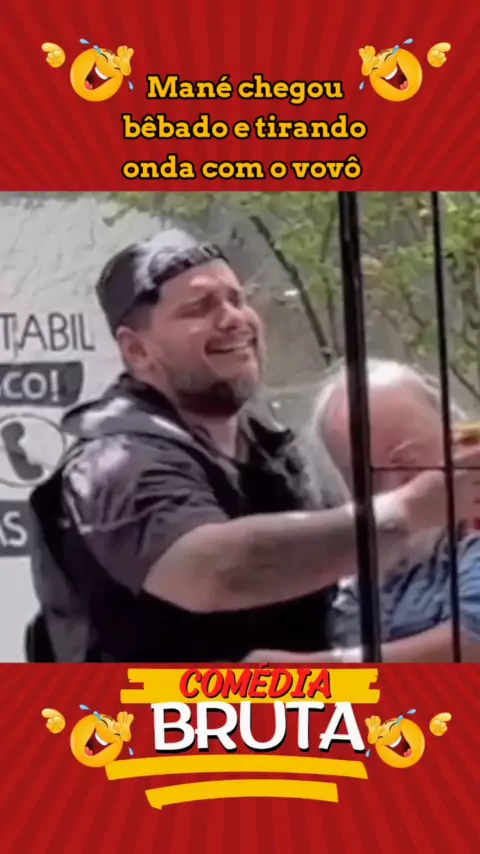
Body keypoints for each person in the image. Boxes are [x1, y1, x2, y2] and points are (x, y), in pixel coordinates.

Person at [27, 231, 480, 662]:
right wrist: (408, 509)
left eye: (237, 299)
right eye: (199, 307)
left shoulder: (275, 453)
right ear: (137, 351)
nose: (233, 319)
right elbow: (219, 571)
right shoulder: (114, 461)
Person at [247, 358, 480, 663]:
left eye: (407, 464)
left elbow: (471, 644)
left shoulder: (471, 528)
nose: (394, 489)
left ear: (454, 440)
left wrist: (317, 672)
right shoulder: (363, 561)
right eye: (367, 478)